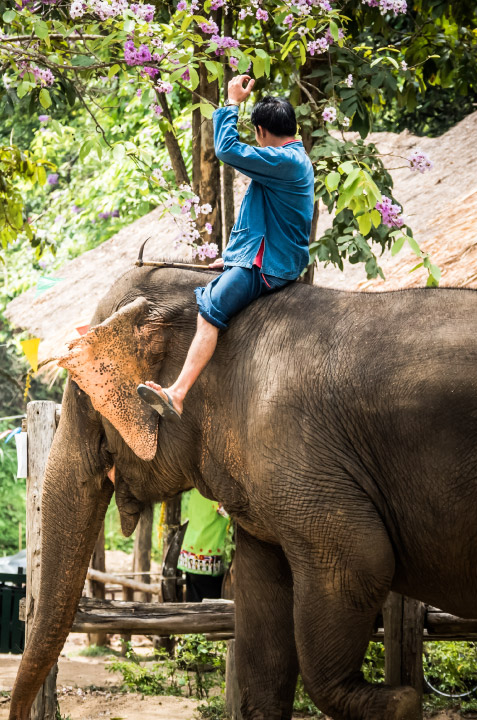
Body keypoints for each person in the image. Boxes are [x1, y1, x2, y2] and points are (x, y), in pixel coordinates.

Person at [137, 75, 315, 418]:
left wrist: (232, 102)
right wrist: (233, 259)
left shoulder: (283, 162)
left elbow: (226, 149)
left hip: (267, 267)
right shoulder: (293, 158)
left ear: (261, 132)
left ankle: (177, 392)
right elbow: (263, 218)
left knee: (211, 311)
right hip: (262, 257)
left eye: (256, 134)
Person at [178, 489, 231, 602]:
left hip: (189, 556)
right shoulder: (214, 495)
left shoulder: (195, 490)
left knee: (193, 601)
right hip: (208, 559)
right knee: (211, 604)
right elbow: (233, 514)